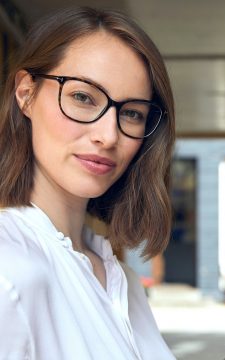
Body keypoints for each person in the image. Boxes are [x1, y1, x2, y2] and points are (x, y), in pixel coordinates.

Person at [0, 7, 176, 359]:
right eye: (83, 97)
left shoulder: (122, 280)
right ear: (26, 94)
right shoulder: (9, 269)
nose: (108, 136)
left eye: (131, 113)